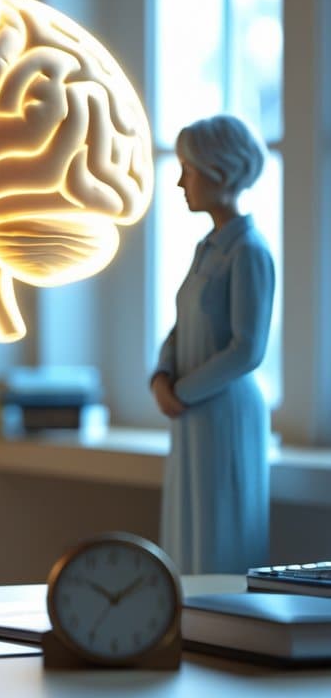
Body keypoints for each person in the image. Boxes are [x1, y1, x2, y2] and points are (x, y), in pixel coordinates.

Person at [150, 114, 274, 574]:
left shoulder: (250, 252)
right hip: (191, 414)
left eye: (190, 169)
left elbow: (247, 348)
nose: (182, 182)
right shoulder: (208, 247)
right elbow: (182, 322)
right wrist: (161, 375)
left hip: (223, 413)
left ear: (219, 171)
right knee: (189, 530)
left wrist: (182, 392)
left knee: (220, 532)